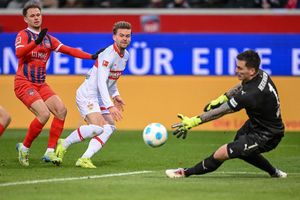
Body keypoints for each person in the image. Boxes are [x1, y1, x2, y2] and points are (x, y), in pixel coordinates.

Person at [166, 50, 287, 178]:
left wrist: (193, 121)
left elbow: (221, 111)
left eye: (240, 68)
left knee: (222, 153)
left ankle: (184, 173)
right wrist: (222, 99)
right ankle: (274, 173)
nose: (236, 70)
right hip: (257, 124)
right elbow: (241, 86)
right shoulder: (261, 74)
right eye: (236, 66)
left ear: (251, 70)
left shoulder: (251, 94)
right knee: (240, 146)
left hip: (267, 135)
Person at [14, 1, 100, 167]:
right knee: (44, 114)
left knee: (61, 111)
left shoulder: (48, 39)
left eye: (38, 14)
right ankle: (24, 148)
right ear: (26, 19)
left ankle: (50, 152)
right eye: (32, 16)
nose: (36, 18)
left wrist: (90, 56)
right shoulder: (23, 35)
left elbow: (68, 50)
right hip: (24, 83)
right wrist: (35, 42)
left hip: (40, 83)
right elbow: (19, 52)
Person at [55, 21, 132, 169]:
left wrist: (116, 94)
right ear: (114, 37)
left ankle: (84, 158)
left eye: (128, 36)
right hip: (88, 94)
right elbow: (101, 82)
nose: (125, 39)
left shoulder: (125, 55)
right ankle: (64, 143)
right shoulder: (108, 55)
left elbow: (112, 79)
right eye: (121, 35)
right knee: (97, 128)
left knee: (109, 127)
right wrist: (110, 105)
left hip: (99, 97)